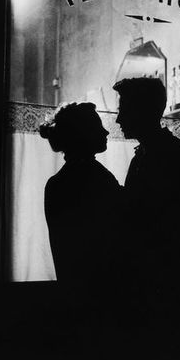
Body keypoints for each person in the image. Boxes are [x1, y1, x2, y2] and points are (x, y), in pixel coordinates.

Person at [113, 77, 180, 287]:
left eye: (124, 109)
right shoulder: (147, 155)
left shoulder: (172, 156)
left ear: (142, 111)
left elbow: (164, 226)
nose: (118, 119)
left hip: (167, 279)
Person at [40, 102, 122, 285]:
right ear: (83, 134)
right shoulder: (95, 177)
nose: (106, 132)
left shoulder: (56, 183)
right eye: (98, 127)